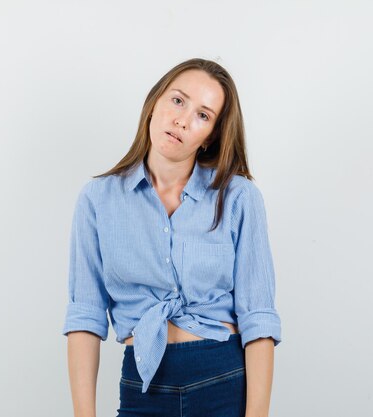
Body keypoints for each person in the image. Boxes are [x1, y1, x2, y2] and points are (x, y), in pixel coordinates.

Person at [62, 57, 282, 417]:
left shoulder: (239, 197)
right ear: (155, 102)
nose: (182, 119)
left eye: (203, 115)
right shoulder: (97, 199)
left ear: (210, 136)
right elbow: (85, 317)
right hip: (142, 389)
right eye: (178, 100)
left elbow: (258, 317)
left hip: (222, 381)